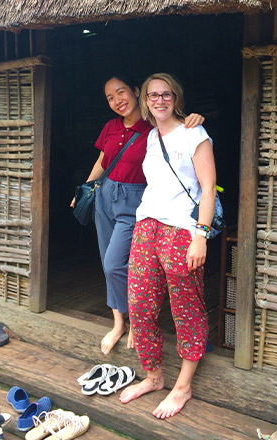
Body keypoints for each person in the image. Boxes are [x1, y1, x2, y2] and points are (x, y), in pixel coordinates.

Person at [71, 75, 204, 355]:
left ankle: (136, 321)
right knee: (106, 258)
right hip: (105, 195)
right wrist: (84, 188)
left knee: (117, 264)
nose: (117, 100)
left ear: (135, 92)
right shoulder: (110, 127)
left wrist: (194, 118)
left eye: (121, 92)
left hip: (135, 199)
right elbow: (102, 161)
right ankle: (118, 322)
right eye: (110, 97)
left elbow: (179, 127)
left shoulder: (153, 127)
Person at [119, 73, 217, 419]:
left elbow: (208, 189)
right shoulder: (148, 137)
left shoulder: (194, 134)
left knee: (186, 306)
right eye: (153, 95)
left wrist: (200, 235)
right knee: (140, 305)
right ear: (144, 100)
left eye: (166, 94)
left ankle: (183, 386)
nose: (159, 100)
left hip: (181, 231)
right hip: (147, 226)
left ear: (176, 97)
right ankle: (154, 376)